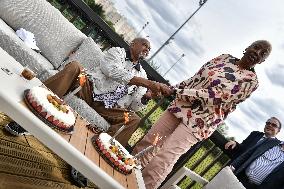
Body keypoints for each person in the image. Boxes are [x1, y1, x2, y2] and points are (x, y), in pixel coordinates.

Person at [132, 40, 272, 189]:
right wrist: (170, 88)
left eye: (262, 54)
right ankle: (124, 176)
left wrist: (176, 92)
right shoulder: (224, 57)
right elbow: (195, 79)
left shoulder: (251, 81)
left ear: (262, 61)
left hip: (200, 121)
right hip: (180, 105)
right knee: (150, 141)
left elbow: (216, 96)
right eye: (256, 47)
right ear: (248, 47)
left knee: (164, 157)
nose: (257, 52)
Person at [5, 37, 172, 147]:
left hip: (107, 107)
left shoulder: (142, 73)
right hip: (88, 87)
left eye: (149, 49)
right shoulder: (117, 52)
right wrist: (146, 82)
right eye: (145, 45)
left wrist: (148, 96)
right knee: (76, 67)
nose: (147, 49)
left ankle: (98, 153)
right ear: (132, 44)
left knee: (134, 118)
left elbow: (133, 105)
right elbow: (110, 71)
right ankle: (29, 117)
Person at [230, 119, 283, 189]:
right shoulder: (257, 135)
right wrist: (235, 144)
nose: (270, 125)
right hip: (239, 173)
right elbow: (246, 151)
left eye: (274, 125)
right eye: (268, 123)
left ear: (278, 131)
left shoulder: (273, 141)